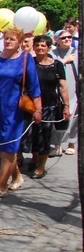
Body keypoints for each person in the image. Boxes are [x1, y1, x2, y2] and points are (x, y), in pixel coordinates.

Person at [0, 26, 41, 198]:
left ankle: (1, 184)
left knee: (9, 147)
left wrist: (38, 109)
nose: (8, 41)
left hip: (15, 109)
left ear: (19, 42)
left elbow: (34, 87)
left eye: (12, 39)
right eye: (6, 38)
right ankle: (17, 176)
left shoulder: (25, 59)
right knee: (4, 144)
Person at [26, 35, 69, 178]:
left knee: (44, 136)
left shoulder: (57, 65)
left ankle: (41, 166)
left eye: (43, 45)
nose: (39, 48)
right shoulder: (29, 63)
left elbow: (63, 87)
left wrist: (66, 106)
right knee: (32, 135)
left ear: (49, 48)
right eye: (37, 45)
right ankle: (34, 158)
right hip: (31, 106)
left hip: (49, 106)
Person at [51, 28, 78, 156]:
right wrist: (65, 61)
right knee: (59, 116)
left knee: (74, 117)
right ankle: (57, 145)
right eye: (63, 38)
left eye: (69, 37)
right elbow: (51, 68)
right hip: (58, 89)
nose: (67, 39)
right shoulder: (52, 53)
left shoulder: (77, 52)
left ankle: (72, 143)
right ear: (57, 40)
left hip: (74, 88)